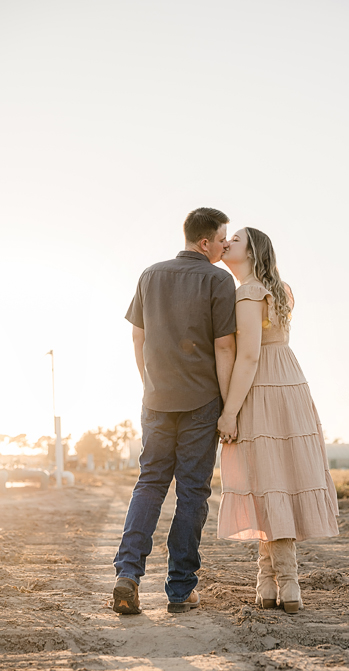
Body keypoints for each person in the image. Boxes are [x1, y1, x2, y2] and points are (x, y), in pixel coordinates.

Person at [113, 207, 237, 614]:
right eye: (222, 239)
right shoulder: (220, 280)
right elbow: (224, 347)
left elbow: (137, 337)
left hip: (157, 399)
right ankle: (180, 590)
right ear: (205, 243)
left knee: (149, 484)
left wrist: (149, 384)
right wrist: (227, 404)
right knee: (191, 494)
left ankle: (127, 575)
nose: (225, 245)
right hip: (201, 402)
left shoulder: (150, 275)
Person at [216, 227, 338, 614]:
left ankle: (288, 583)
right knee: (275, 482)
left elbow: (249, 356)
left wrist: (229, 412)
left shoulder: (249, 293)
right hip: (289, 382)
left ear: (251, 252)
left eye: (234, 240)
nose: (226, 243)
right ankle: (270, 583)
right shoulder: (280, 289)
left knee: (268, 482)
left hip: (263, 386)